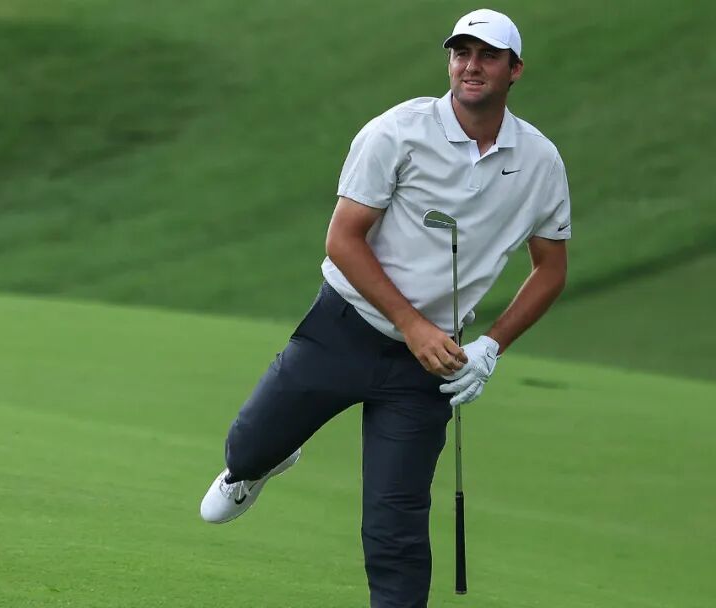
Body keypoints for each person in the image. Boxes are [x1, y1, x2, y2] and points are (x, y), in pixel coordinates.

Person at [198, 8, 570, 607]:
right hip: (342, 329)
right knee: (245, 449)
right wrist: (410, 324)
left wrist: (490, 347)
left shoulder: (540, 161)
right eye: (461, 53)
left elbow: (550, 269)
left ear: (515, 69)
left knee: (396, 528)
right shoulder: (396, 132)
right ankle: (263, 462)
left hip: (429, 365)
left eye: (488, 56)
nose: (471, 66)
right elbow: (343, 240)